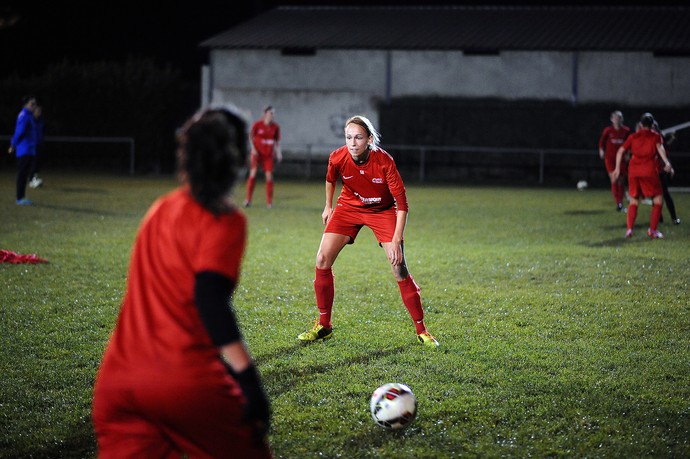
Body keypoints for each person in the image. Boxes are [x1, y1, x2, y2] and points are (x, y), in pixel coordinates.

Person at [92, 107, 272, 458]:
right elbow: (209, 297)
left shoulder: (159, 209)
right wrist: (248, 379)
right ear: (233, 158)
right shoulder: (224, 219)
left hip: (118, 382)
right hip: (182, 382)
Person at [297, 115, 439, 347]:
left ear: (369, 139)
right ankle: (324, 326)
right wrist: (328, 206)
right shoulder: (338, 157)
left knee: (399, 268)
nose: (352, 143)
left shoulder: (384, 162)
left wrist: (395, 240)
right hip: (349, 207)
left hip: (382, 211)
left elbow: (402, 204)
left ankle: (422, 330)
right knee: (322, 259)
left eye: (358, 138)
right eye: (349, 137)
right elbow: (330, 178)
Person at [612, 113, 673, 239]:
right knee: (658, 199)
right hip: (649, 170)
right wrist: (667, 163)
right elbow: (660, 149)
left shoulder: (633, 137)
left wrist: (617, 168)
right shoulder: (655, 136)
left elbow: (620, 151)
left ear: (640, 124)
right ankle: (652, 230)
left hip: (633, 171)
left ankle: (629, 229)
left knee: (634, 200)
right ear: (652, 125)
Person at [244, 105, 281, 208]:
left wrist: (278, 152)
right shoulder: (257, 125)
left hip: (268, 155)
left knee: (269, 176)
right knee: (253, 174)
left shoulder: (275, 127)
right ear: (265, 114)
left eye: (273, 114)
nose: (272, 116)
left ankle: (269, 203)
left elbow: (276, 141)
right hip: (257, 154)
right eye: (270, 113)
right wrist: (253, 149)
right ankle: (248, 200)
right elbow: (251, 137)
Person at [598, 110, 631, 212]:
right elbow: (601, 142)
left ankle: (620, 202)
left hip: (621, 159)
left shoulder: (626, 130)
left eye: (619, 117)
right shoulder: (608, 130)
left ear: (622, 119)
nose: (617, 119)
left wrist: (628, 154)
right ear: (612, 119)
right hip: (610, 158)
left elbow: (630, 143)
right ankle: (619, 203)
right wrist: (601, 150)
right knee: (613, 178)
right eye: (615, 118)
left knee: (621, 180)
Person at [8, 95, 38, 205]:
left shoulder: (28, 115)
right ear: (26, 104)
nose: (34, 106)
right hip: (24, 149)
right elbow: (19, 132)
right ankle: (20, 198)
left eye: (35, 104)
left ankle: (22, 197)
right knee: (22, 174)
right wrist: (13, 145)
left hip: (28, 149)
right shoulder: (24, 115)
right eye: (32, 104)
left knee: (25, 174)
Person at [654, 123, 680, 225]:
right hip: (652, 170)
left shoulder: (659, 138)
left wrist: (669, 166)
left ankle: (673, 218)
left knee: (665, 194)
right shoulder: (648, 139)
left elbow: (665, 150)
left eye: (655, 127)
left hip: (660, 170)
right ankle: (658, 219)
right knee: (655, 195)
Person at [29, 104, 45, 189]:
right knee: (33, 163)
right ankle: (31, 180)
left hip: (39, 144)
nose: (39, 112)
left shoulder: (40, 120)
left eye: (40, 111)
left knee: (37, 163)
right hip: (32, 145)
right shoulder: (31, 120)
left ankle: (34, 178)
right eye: (37, 111)